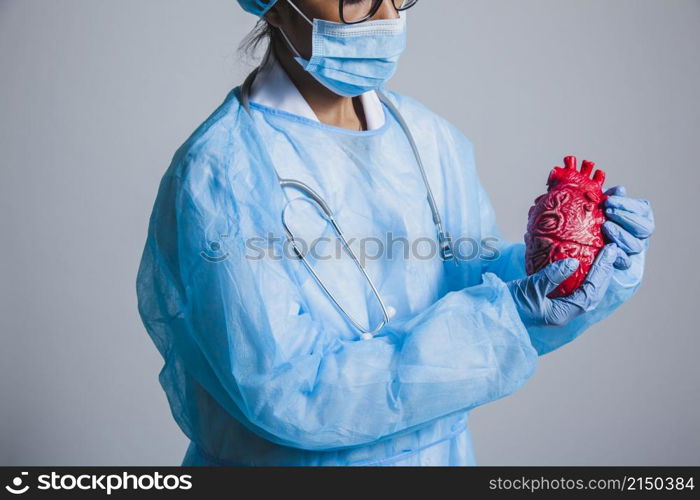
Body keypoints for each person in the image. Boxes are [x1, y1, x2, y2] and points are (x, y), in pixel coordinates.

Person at [135, 0, 655, 466]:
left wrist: (576, 267)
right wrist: (506, 318)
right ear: (273, 6)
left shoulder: (427, 138)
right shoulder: (222, 174)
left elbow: (472, 279)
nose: (387, 19)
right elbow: (286, 394)